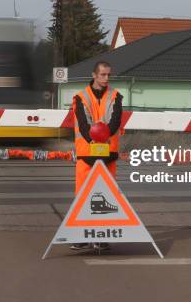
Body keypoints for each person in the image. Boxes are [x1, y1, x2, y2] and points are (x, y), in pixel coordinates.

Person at [70, 61, 123, 251]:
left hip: (108, 154)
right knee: (83, 195)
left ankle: (102, 236)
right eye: (102, 75)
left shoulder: (116, 96)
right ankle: (81, 236)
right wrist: (95, 138)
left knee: (106, 197)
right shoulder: (80, 97)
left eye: (108, 75)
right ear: (94, 75)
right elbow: (83, 123)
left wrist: (103, 137)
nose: (106, 78)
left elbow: (115, 121)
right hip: (86, 153)